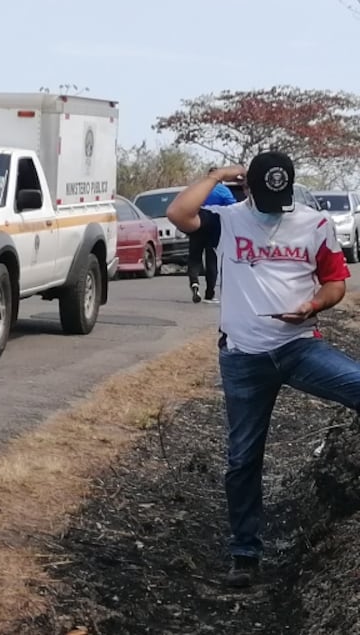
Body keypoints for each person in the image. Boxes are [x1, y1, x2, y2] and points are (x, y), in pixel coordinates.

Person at [166, 151, 359, 588]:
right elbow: (179, 213)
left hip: (299, 347)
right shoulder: (228, 221)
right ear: (249, 188)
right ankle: (245, 555)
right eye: (267, 196)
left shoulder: (314, 224)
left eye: (283, 196)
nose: (278, 206)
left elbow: (336, 283)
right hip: (244, 358)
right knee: (243, 459)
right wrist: (215, 175)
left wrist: (313, 304)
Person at [187, 167, 239, 304]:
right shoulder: (223, 190)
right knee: (212, 259)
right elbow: (233, 207)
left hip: (197, 223)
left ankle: (194, 282)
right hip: (215, 225)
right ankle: (209, 293)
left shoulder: (199, 189)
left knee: (194, 257)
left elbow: (189, 204)